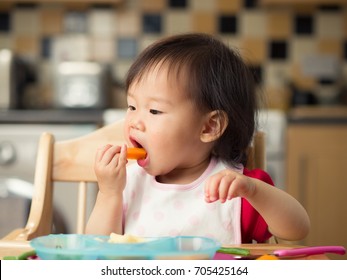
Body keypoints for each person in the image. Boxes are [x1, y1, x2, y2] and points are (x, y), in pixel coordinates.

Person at [86, 33, 310, 244]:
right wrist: (108, 194)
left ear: (209, 126)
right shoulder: (126, 184)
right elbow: (96, 248)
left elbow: (297, 230)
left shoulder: (235, 189)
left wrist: (253, 191)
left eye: (154, 111)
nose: (135, 121)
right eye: (132, 106)